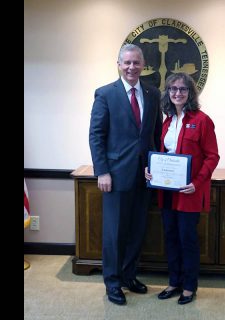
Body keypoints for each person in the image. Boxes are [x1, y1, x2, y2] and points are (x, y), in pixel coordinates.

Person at [89, 44, 162, 306]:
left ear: (143, 65)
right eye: (127, 62)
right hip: (116, 177)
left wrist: (159, 166)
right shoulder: (105, 94)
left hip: (145, 175)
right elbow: (96, 136)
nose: (132, 67)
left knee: (137, 230)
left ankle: (130, 276)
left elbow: (155, 135)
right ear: (118, 64)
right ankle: (112, 282)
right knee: (114, 233)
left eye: (136, 63)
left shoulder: (153, 94)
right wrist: (103, 172)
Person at [145, 72, 219, 305]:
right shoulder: (167, 121)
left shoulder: (202, 120)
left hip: (189, 192)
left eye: (183, 89)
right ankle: (174, 281)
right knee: (170, 237)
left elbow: (212, 156)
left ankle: (189, 286)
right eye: (173, 89)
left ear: (190, 93)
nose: (178, 93)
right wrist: (151, 171)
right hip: (167, 192)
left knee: (187, 239)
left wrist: (196, 183)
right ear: (168, 92)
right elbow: (162, 155)